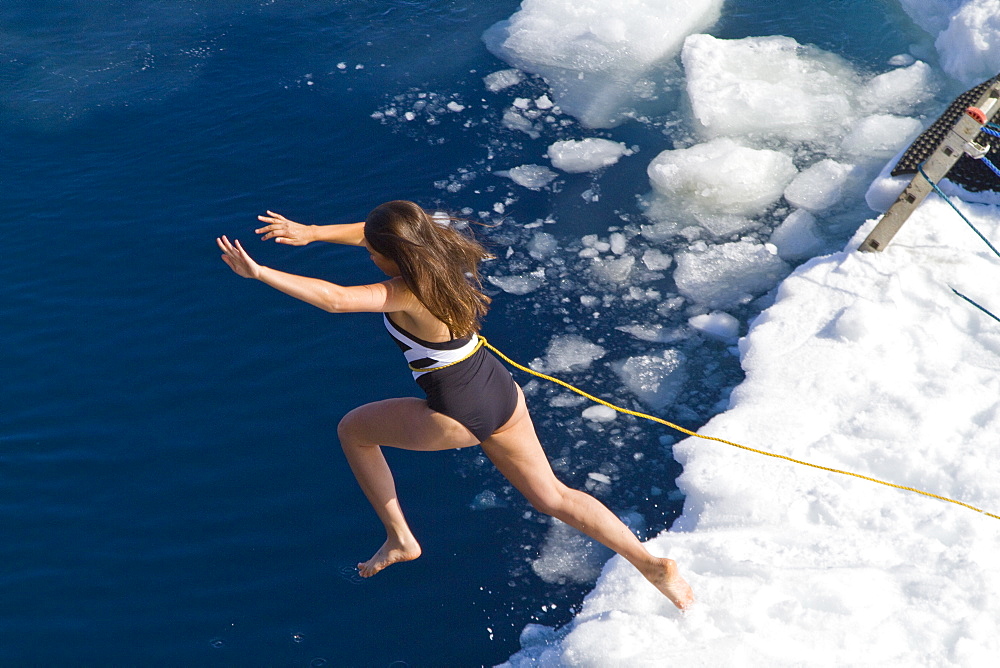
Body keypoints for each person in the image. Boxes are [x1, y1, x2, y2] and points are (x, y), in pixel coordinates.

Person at [216, 200, 695, 610]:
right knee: (552, 496)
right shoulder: (441, 245)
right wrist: (313, 233)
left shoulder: (406, 292)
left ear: (390, 254)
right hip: (497, 389)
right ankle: (651, 564)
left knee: (353, 431)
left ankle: (401, 538)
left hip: (456, 412)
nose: (369, 250)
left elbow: (338, 300)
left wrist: (259, 272)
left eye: (374, 249)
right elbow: (378, 235)